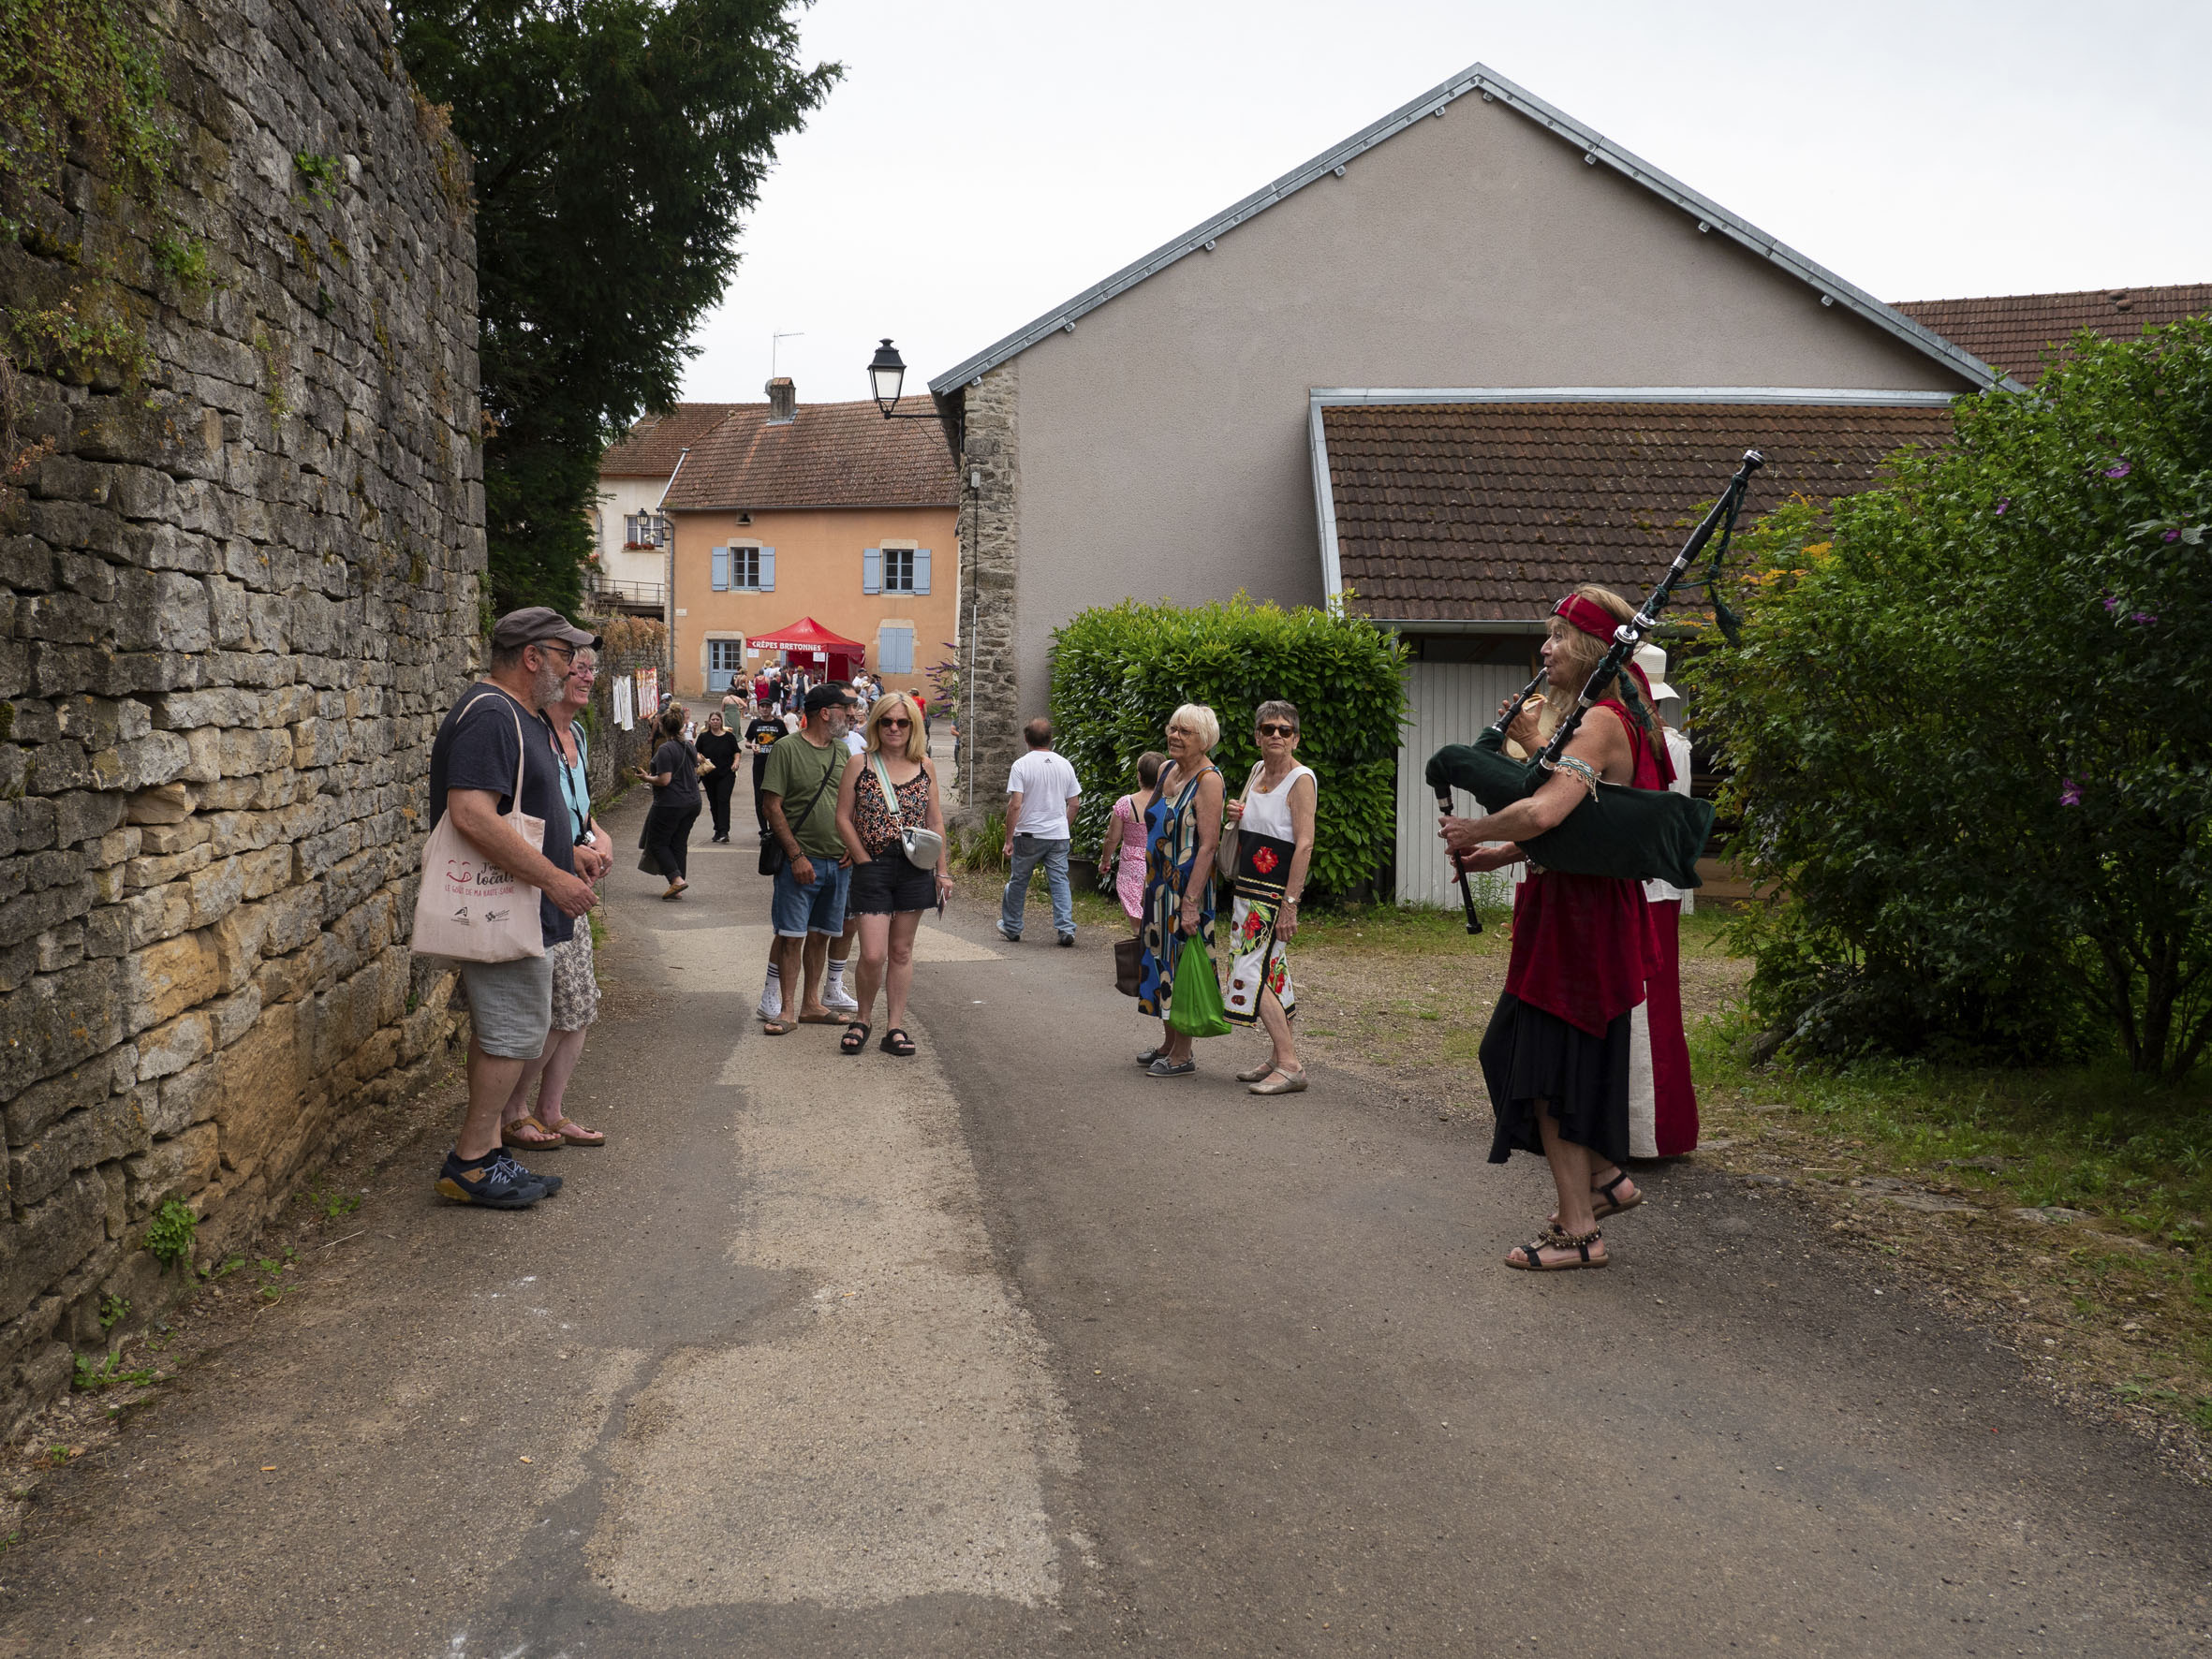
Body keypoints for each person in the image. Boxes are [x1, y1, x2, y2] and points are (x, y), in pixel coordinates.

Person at [1440, 583, 1670, 1271]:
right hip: (1573, 909)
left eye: (1558, 638)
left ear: (1594, 648)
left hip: (1581, 921)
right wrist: (1496, 852)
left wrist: (1476, 826)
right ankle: (1603, 1179)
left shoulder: (1602, 720)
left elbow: (1544, 813)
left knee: (1539, 1068)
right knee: (1530, 1056)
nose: (1545, 649)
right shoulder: (1606, 717)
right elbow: (1576, 825)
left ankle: (1578, 1230)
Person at [425, 607, 599, 1208]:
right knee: (510, 1034)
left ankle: (486, 1154)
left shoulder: (512, 714)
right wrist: (553, 877)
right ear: (533, 657)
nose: (575, 665)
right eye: (565, 652)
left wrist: (564, 855)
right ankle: (472, 1161)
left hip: (518, 903)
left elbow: (515, 812)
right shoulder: (493, 715)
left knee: (505, 1032)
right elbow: (471, 812)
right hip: (510, 906)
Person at [500, 640, 610, 1152]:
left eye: (592, 669)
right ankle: (514, 1111)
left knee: (579, 1005)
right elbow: (517, 818)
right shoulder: (534, 735)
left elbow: (576, 813)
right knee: (545, 1009)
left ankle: (551, 1109)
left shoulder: (578, 735)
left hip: (573, 888)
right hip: (539, 888)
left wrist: (598, 836)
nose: (586, 677)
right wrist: (568, 854)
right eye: (578, 667)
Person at [833, 692, 953, 1057]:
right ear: (876, 725)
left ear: (913, 725)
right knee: (872, 954)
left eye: (902, 722)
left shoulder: (925, 766)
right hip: (873, 866)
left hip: (914, 867)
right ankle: (863, 1019)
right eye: (887, 721)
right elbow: (843, 817)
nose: (894, 728)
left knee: (901, 951)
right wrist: (861, 857)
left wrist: (942, 872)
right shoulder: (860, 763)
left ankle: (895, 1027)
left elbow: (934, 821)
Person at [1222, 701, 1316, 1096]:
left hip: (1273, 894)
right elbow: (1250, 821)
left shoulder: (1301, 780)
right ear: (1257, 735)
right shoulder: (1258, 770)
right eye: (1268, 728)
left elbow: (1305, 843)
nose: (1276, 735)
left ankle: (1291, 1065)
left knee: (1247, 971)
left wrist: (1290, 903)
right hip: (1247, 889)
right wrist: (1234, 812)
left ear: (1295, 737)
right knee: (1272, 971)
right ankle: (1280, 1057)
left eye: (1285, 729)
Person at [1632, 644, 1700, 1156]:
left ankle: (1648, 1133)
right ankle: (1653, 1129)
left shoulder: (1666, 745)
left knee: (1646, 1008)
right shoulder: (1674, 742)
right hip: (1660, 888)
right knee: (1651, 1008)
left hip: (1645, 886)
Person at [759, 683, 855, 1035]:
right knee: (791, 935)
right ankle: (786, 1010)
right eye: (844, 709)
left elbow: (853, 801)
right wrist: (796, 855)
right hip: (800, 862)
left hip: (838, 863)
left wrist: (852, 842)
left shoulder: (844, 752)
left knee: (821, 935)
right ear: (825, 713)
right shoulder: (786, 749)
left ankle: (812, 1003)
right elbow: (772, 806)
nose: (850, 715)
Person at [1135, 705, 1225, 1079]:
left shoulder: (1209, 779)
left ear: (1204, 739)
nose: (1174, 736)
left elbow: (1208, 845)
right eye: (1173, 728)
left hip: (1187, 890)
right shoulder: (1168, 770)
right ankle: (1169, 1043)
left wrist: (1191, 902)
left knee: (1183, 966)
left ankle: (1183, 1055)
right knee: (1160, 964)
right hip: (1158, 887)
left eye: (1185, 732)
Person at [997, 717, 1082, 946]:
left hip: (1028, 835)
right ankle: (1066, 928)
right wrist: (1063, 826)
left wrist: (1008, 839)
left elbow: (1015, 804)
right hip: (1057, 835)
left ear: (1026, 739)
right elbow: (1074, 803)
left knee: (1018, 881)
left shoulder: (1021, 765)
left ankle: (1012, 927)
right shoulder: (1065, 764)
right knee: (1059, 881)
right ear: (1050, 739)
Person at [635, 703, 700, 898]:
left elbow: (664, 780)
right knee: (679, 843)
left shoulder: (665, 750)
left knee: (657, 842)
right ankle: (677, 886)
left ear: (662, 727)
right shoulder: (689, 746)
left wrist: (646, 778)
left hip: (671, 802)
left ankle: (676, 880)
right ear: (681, 726)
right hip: (693, 801)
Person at [1099, 752, 1165, 931]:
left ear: (1139, 775)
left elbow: (1112, 837)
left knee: (1137, 917)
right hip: (1159, 862)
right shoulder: (1168, 803)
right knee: (1159, 914)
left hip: (1132, 867)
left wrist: (1105, 861)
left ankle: (1138, 944)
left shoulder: (1125, 803)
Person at [697, 710, 741, 844]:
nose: (715, 722)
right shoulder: (704, 737)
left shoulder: (729, 737)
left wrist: (736, 762)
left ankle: (724, 831)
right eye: (713, 720)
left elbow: (737, 751)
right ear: (709, 722)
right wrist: (699, 757)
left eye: (717, 719)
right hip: (709, 774)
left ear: (721, 721)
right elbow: (696, 751)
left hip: (726, 773)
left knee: (723, 800)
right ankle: (717, 829)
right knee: (713, 802)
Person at [744, 700, 786, 838]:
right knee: (760, 797)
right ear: (759, 708)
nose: (765, 709)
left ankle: (775, 827)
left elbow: (786, 742)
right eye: (763, 707)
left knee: (775, 796)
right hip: (759, 765)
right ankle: (763, 828)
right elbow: (747, 742)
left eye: (768, 707)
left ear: (771, 709)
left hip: (775, 765)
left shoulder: (778, 724)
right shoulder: (755, 724)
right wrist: (752, 746)